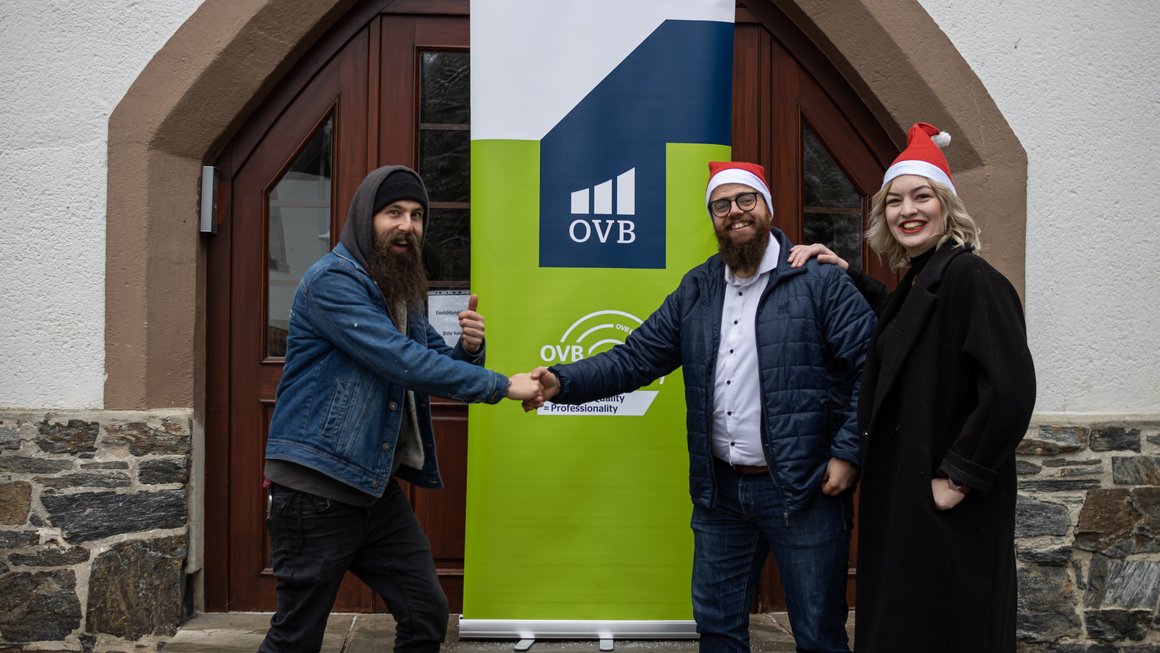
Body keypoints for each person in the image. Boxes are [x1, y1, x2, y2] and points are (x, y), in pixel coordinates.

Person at [524, 162, 876, 653]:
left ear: (768, 207)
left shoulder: (818, 281)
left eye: (746, 200)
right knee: (718, 630)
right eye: (721, 205)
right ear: (712, 217)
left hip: (805, 488)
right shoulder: (698, 288)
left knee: (818, 635)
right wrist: (561, 380)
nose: (735, 212)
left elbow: (872, 368)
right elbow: (636, 356)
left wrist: (848, 453)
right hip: (721, 493)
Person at [259, 165, 542, 653]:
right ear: (366, 217)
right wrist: (501, 386)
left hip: (371, 488)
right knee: (296, 637)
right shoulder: (332, 283)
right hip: (315, 489)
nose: (407, 225)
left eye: (416, 215)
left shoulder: (399, 290)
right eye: (394, 212)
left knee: (426, 613)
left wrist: (471, 351)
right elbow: (402, 361)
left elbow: (431, 361)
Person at [788, 122, 1036, 652]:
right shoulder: (922, 281)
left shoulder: (973, 279)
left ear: (947, 207)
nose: (908, 211)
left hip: (945, 505)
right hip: (908, 499)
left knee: (943, 629)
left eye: (921, 197)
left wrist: (960, 477)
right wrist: (849, 274)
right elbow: (904, 331)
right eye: (895, 201)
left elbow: (1011, 390)